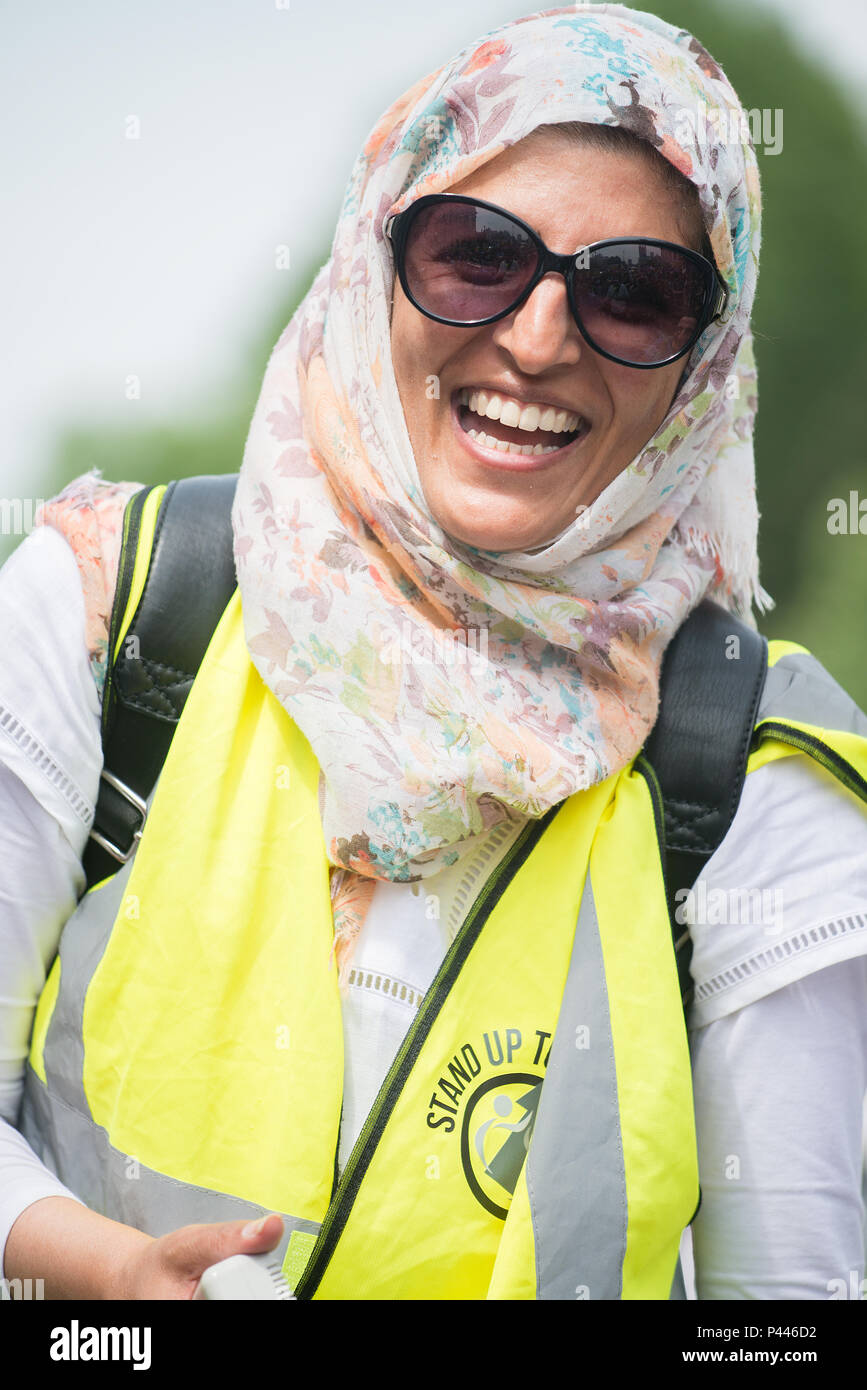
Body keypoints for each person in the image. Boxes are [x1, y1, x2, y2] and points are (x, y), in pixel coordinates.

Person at [2, 3, 866, 1301]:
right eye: (476, 256)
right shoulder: (109, 609)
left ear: (705, 361)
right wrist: (107, 1283)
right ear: (375, 253)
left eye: (634, 291)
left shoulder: (755, 769)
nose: (536, 336)